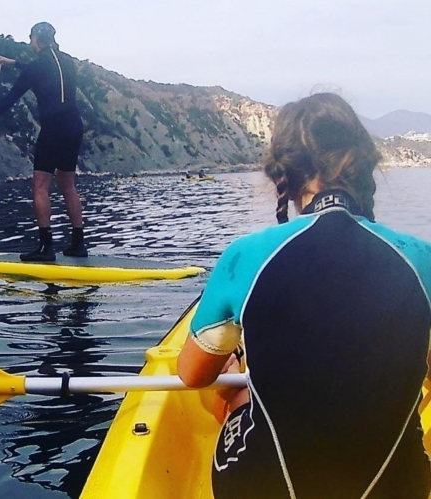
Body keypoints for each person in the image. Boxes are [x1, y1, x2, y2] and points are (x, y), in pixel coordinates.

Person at [177, 93, 431, 498]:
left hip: (265, 487)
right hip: (398, 488)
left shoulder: (245, 256)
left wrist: (231, 381)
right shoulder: (422, 258)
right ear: (363, 164)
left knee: (237, 393)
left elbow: (192, 375)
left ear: (287, 173)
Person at [0, 22, 87, 262]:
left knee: (40, 184)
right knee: (68, 183)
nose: (29, 42)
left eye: (30, 38)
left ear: (37, 39)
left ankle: (46, 248)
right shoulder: (66, 61)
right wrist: (13, 63)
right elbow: (42, 71)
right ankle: (78, 244)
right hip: (74, 126)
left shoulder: (37, 67)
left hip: (54, 126)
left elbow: (11, 97)